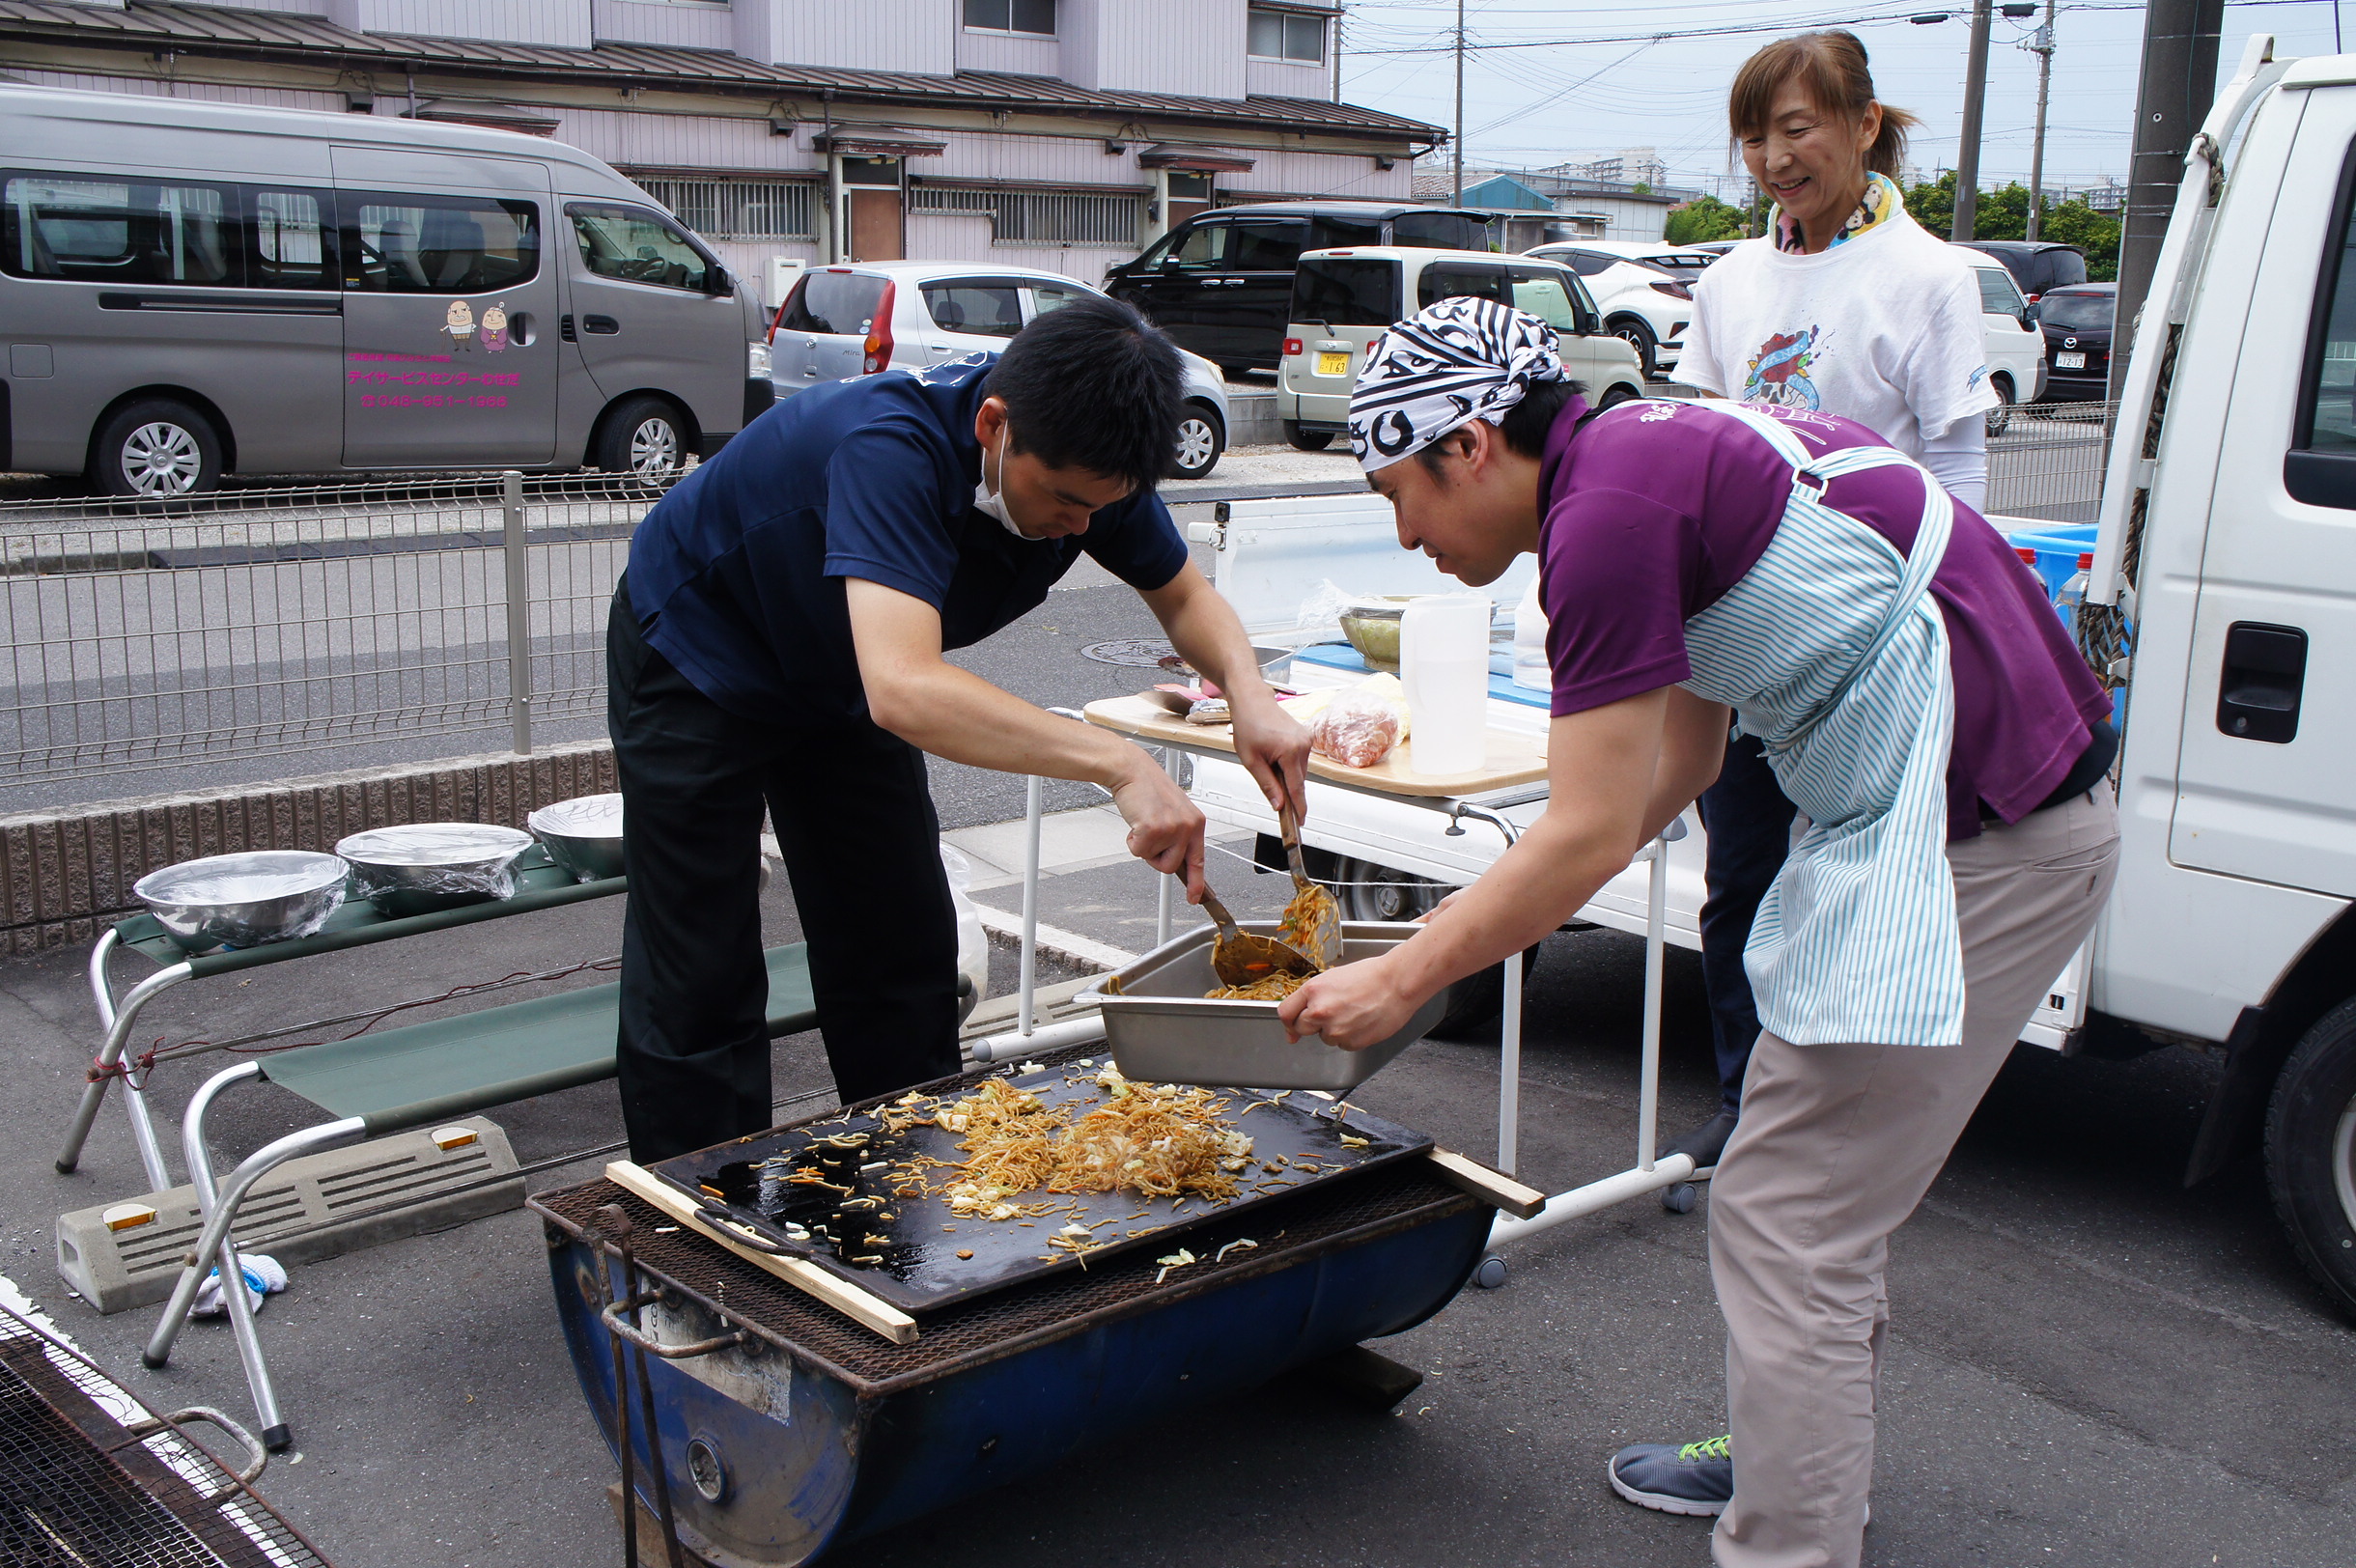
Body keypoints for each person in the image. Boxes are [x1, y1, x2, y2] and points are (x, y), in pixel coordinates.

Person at [1284, 296, 2117, 1568]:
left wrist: (1403, 974)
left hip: (1987, 830)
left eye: (1402, 492)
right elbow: (1682, 757)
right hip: (1957, 817)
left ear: (1467, 448)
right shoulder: (1642, 458)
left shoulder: (1606, 517)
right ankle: (1803, 1474)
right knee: (1815, 1199)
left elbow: (1583, 832)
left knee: (1790, 1209)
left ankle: (1790, 1537)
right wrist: (1513, 891)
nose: (1407, 535)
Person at [609, 295, 1310, 1164]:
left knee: (898, 938)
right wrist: (1120, 764)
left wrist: (1251, 694)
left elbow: (1184, 596)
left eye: (1103, 507)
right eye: (1062, 501)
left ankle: (912, 1185)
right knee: (701, 963)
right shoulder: (889, 449)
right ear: (994, 426)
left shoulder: (1092, 459)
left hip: (841, 676)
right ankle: (700, 1221)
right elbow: (905, 688)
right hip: (700, 651)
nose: (1081, 526)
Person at [1666, 31, 2011, 1175]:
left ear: (1865, 126)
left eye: (1799, 128)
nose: (1774, 156)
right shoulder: (1727, 280)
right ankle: (1746, 1103)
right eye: (1756, 136)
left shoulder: (1930, 278)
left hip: (1879, 646)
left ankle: (1849, 1129)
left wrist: (1964, 640)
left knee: (1867, 889)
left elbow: (1958, 481)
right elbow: (1698, 450)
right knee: (1743, 877)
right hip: (1758, 638)